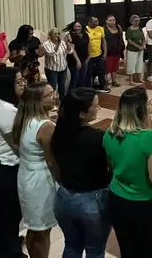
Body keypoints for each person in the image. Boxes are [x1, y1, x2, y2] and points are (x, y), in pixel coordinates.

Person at [104, 87, 152, 258]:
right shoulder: (148, 138)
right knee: (147, 251)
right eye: (149, 103)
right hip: (144, 204)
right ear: (141, 109)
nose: (151, 106)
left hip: (117, 199)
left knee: (127, 249)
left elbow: (111, 165)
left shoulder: (109, 134)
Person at [52, 88, 112, 258]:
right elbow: (113, 165)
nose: (99, 108)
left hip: (64, 198)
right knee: (95, 251)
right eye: (95, 105)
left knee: (71, 246)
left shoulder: (57, 133)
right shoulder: (98, 138)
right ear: (82, 114)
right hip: (93, 200)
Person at [0, 67, 26, 258]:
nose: (23, 84)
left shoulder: (3, 104)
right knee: (10, 212)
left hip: (3, 164)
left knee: (7, 210)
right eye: (18, 82)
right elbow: (17, 145)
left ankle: (1, 243)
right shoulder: (4, 110)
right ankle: (7, 251)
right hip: (5, 166)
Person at [15, 82, 58, 258]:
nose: (54, 97)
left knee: (34, 227)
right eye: (49, 95)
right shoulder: (46, 126)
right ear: (37, 101)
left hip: (26, 175)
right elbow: (52, 161)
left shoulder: (23, 119)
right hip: (40, 181)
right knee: (43, 231)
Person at [41, 28, 70, 99]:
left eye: (58, 34)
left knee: (62, 87)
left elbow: (69, 52)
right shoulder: (46, 44)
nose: (57, 35)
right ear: (50, 35)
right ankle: (51, 101)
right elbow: (51, 53)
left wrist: (68, 43)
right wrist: (57, 44)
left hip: (62, 68)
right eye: (55, 33)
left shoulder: (62, 42)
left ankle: (62, 101)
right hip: (52, 69)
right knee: (52, 87)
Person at [65, 21, 89, 89]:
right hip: (73, 60)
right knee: (75, 78)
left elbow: (88, 45)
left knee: (82, 78)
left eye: (79, 26)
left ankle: (80, 92)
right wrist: (77, 60)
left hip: (84, 59)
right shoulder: (70, 36)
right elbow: (72, 49)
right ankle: (72, 93)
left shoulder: (85, 35)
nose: (77, 28)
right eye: (75, 26)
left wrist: (89, 57)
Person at [86, 17, 108, 91]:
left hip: (99, 54)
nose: (97, 22)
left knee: (101, 70)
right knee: (89, 72)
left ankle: (103, 85)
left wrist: (105, 52)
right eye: (95, 21)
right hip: (89, 55)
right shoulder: (85, 29)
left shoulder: (100, 29)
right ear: (89, 22)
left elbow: (104, 41)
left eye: (97, 21)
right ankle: (89, 87)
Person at [104, 15, 125, 87]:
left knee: (115, 67)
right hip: (108, 51)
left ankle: (114, 81)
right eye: (110, 20)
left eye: (113, 20)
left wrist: (122, 48)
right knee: (107, 68)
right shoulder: (104, 29)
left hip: (117, 50)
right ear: (106, 21)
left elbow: (121, 38)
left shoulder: (118, 27)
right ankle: (105, 82)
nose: (112, 22)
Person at [125, 15, 146, 85]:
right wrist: (138, 46)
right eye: (135, 21)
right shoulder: (129, 30)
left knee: (139, 63)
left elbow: (143, 38)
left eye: (138, 20)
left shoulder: (140, 28)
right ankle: (131, 80)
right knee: (131, 64)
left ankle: (139, 78)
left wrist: (143, 45)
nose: (137, 22)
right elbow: (129, 41)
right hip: (132, 50)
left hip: (140, 49)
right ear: (132, 21)